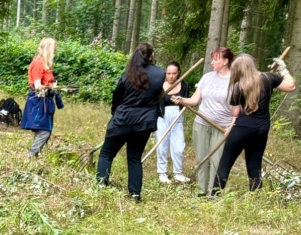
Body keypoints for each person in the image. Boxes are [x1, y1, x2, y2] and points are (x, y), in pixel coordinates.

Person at [211, 54, 295, 193]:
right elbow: (291, 86)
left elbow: (236, 112)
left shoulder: (238, 87)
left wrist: (230, 128)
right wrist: (283, 69)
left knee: (225, 164)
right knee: (255, 165)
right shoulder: (269, 78)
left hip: (242, 128)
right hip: (261, 129)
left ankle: (214, 196)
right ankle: (255, 197)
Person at [96, 43, 165, 200]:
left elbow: (117, 97)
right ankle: (135, 193)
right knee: (134, 158)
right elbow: (158, 95)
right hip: (145, 122)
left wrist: (115, 112)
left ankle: (101, 183)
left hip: (123, 119)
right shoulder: (160, 74)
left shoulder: (128, 74)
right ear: (151, 55)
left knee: (106, 153)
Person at [173, 48, 234, 196]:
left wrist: (230, 128)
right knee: (202, 158)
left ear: (225, 61)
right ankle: (201, 190)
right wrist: (181, 100)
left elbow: (238, 110)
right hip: (201, 123)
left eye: (216, 59)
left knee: (216, 160)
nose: (212, 62)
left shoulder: (235, 80)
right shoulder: (207, 77)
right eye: (212, 59)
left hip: (222, 127)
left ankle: (214, 193)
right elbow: (194, 100)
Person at [21, 38, 60, 158]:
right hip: (38, 102)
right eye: (54, 47)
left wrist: (53, 86)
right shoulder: (38, 63)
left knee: (44, 130)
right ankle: (30, 156)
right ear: (48, 49)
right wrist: (51, 87)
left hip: (45, 102)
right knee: (44, 131)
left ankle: (34, 158)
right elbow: (37, 86)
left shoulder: (45, 64)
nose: (56, 50)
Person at [156, 61, 191, 184]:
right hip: (162, 117)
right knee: (162, 146)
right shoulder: (160, 84)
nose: (170, 76)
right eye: (168, 73)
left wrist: (181, 101)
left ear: (179, 73)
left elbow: (187, 102)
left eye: (174, 73)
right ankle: (162, 173)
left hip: (177, 116)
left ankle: (178, 173)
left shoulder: (184, 85)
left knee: (179, 147)